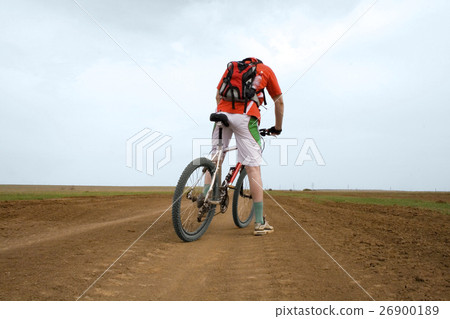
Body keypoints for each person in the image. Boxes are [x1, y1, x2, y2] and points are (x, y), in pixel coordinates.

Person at [205, 57, 284, 236]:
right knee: (253, 168)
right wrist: (277, 128)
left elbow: (218, 94)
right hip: (246, 117)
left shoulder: (232, 68)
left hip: (221, 114)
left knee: (216, 159)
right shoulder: (266, 70)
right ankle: (259, 222)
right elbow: (279, 102)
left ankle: (205, 196)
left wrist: (225, 111)